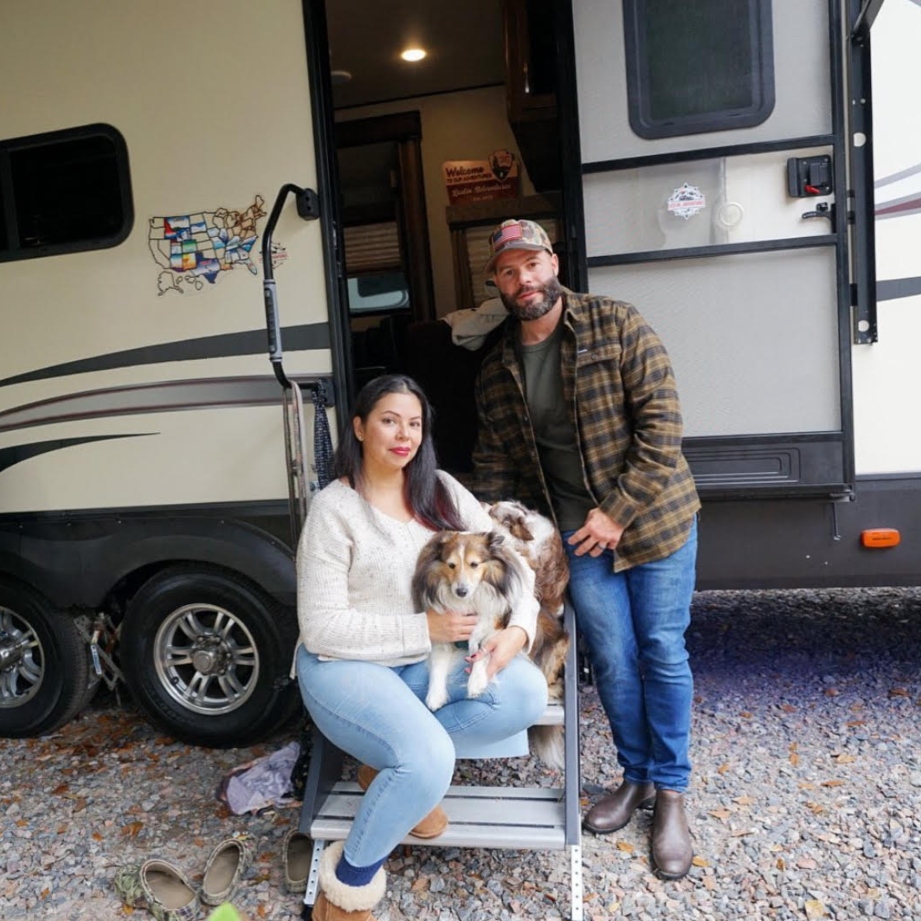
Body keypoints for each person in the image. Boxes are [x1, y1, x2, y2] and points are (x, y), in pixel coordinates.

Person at [471, 219, 701, 880]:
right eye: (509, 272)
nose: (524, 280)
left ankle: (672, 795)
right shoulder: (495, 371)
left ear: (553, 261)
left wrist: (616, 512)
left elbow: (663, 425)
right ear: (497, 282)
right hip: (578, 542)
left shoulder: (616, 324)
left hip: (654, 521)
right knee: (614, 659)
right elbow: (492, 471)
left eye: (532, 264)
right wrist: (480, 534)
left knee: (661, 648)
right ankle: (634, 778)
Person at [295, 373, 547, 920]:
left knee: (524, 693)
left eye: (414, 423)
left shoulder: (443, 492)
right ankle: (345, 888)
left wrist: (518, 631)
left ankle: (392, 770)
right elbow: (320, 628)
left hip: (424, 665)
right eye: (389, 420)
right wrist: (424, 630)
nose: (403, 435)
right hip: (344, 668)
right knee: (427, 757)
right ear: (359, 427)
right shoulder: (333, 511)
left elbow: (518, 570)